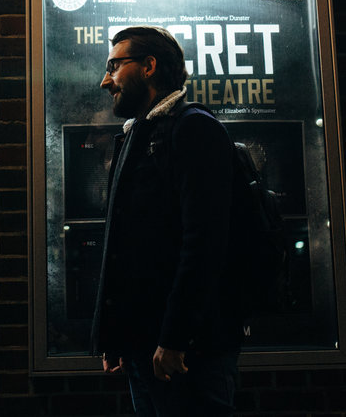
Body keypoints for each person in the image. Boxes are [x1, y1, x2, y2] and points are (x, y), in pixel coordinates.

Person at [91, 26, 242, 417]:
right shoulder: (140, 134)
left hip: (186, 351)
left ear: (149, 67)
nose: (105, 80)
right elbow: (127, 244)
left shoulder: (193, 128)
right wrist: (116, 335)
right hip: (145, 344)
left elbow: (204, 243)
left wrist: (175, 338)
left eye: (114, 66)